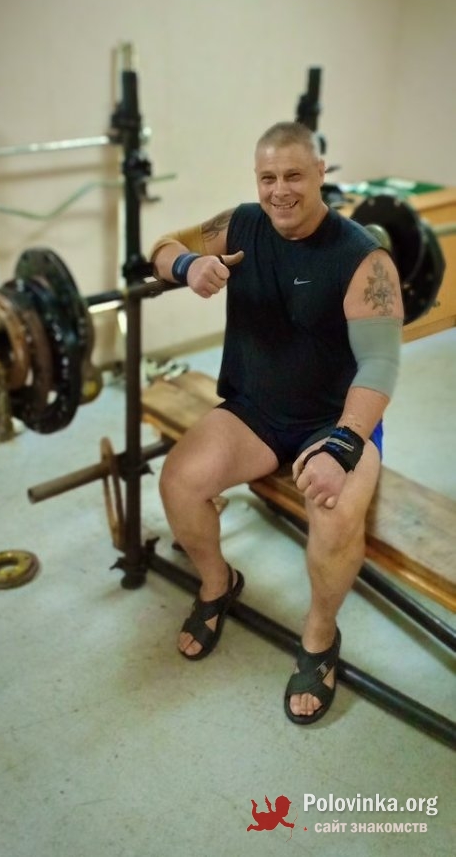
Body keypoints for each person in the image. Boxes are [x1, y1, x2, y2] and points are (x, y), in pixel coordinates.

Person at [150, 121, 403, 725]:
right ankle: (217, 584)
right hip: (255, 412)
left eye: (294, 175)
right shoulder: (240, 225)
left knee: (335, 516)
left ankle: (319, 635)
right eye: (268, 177)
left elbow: (380, 363)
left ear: (320, 173)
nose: (280, 190)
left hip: (334, 422)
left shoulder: (362, 259)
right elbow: (160, 246)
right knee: (179, 481)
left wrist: (343, 445)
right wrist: (187, 265)